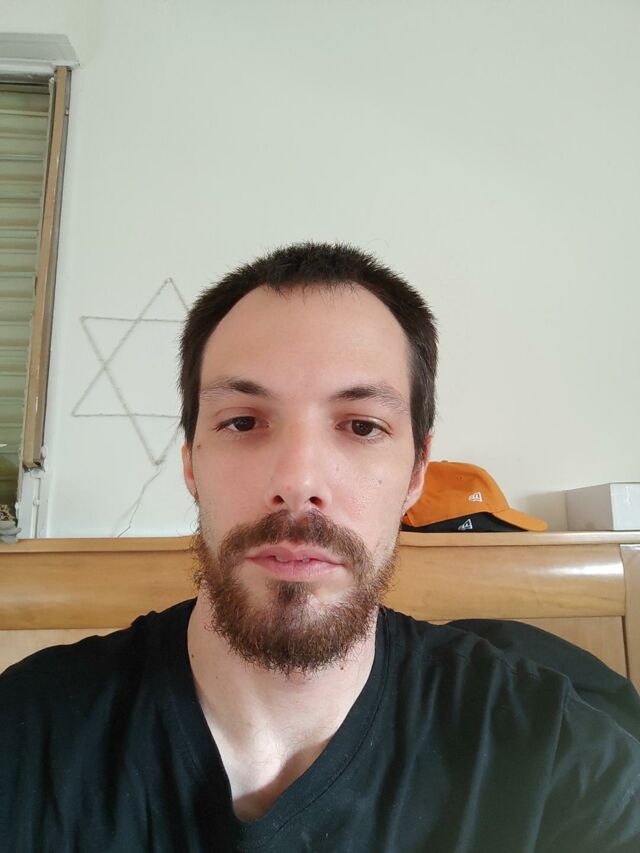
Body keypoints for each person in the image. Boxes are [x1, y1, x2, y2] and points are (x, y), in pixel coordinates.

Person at [1, 242, 639, 852]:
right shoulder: (23, 736)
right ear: (191, 460)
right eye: (243, 421)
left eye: (361, 426)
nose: (298, 482)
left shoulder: (554, 755)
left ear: (417, 471)